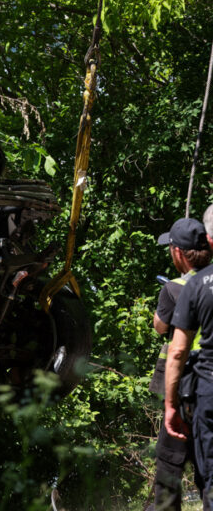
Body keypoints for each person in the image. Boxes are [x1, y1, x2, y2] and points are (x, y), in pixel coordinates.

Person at [149, 218, 212, 510]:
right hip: (205, 388)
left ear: (177, 253)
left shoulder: (176, 288)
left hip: (187, 386)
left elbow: (162, 330)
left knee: (169, 465)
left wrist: (171, 404)